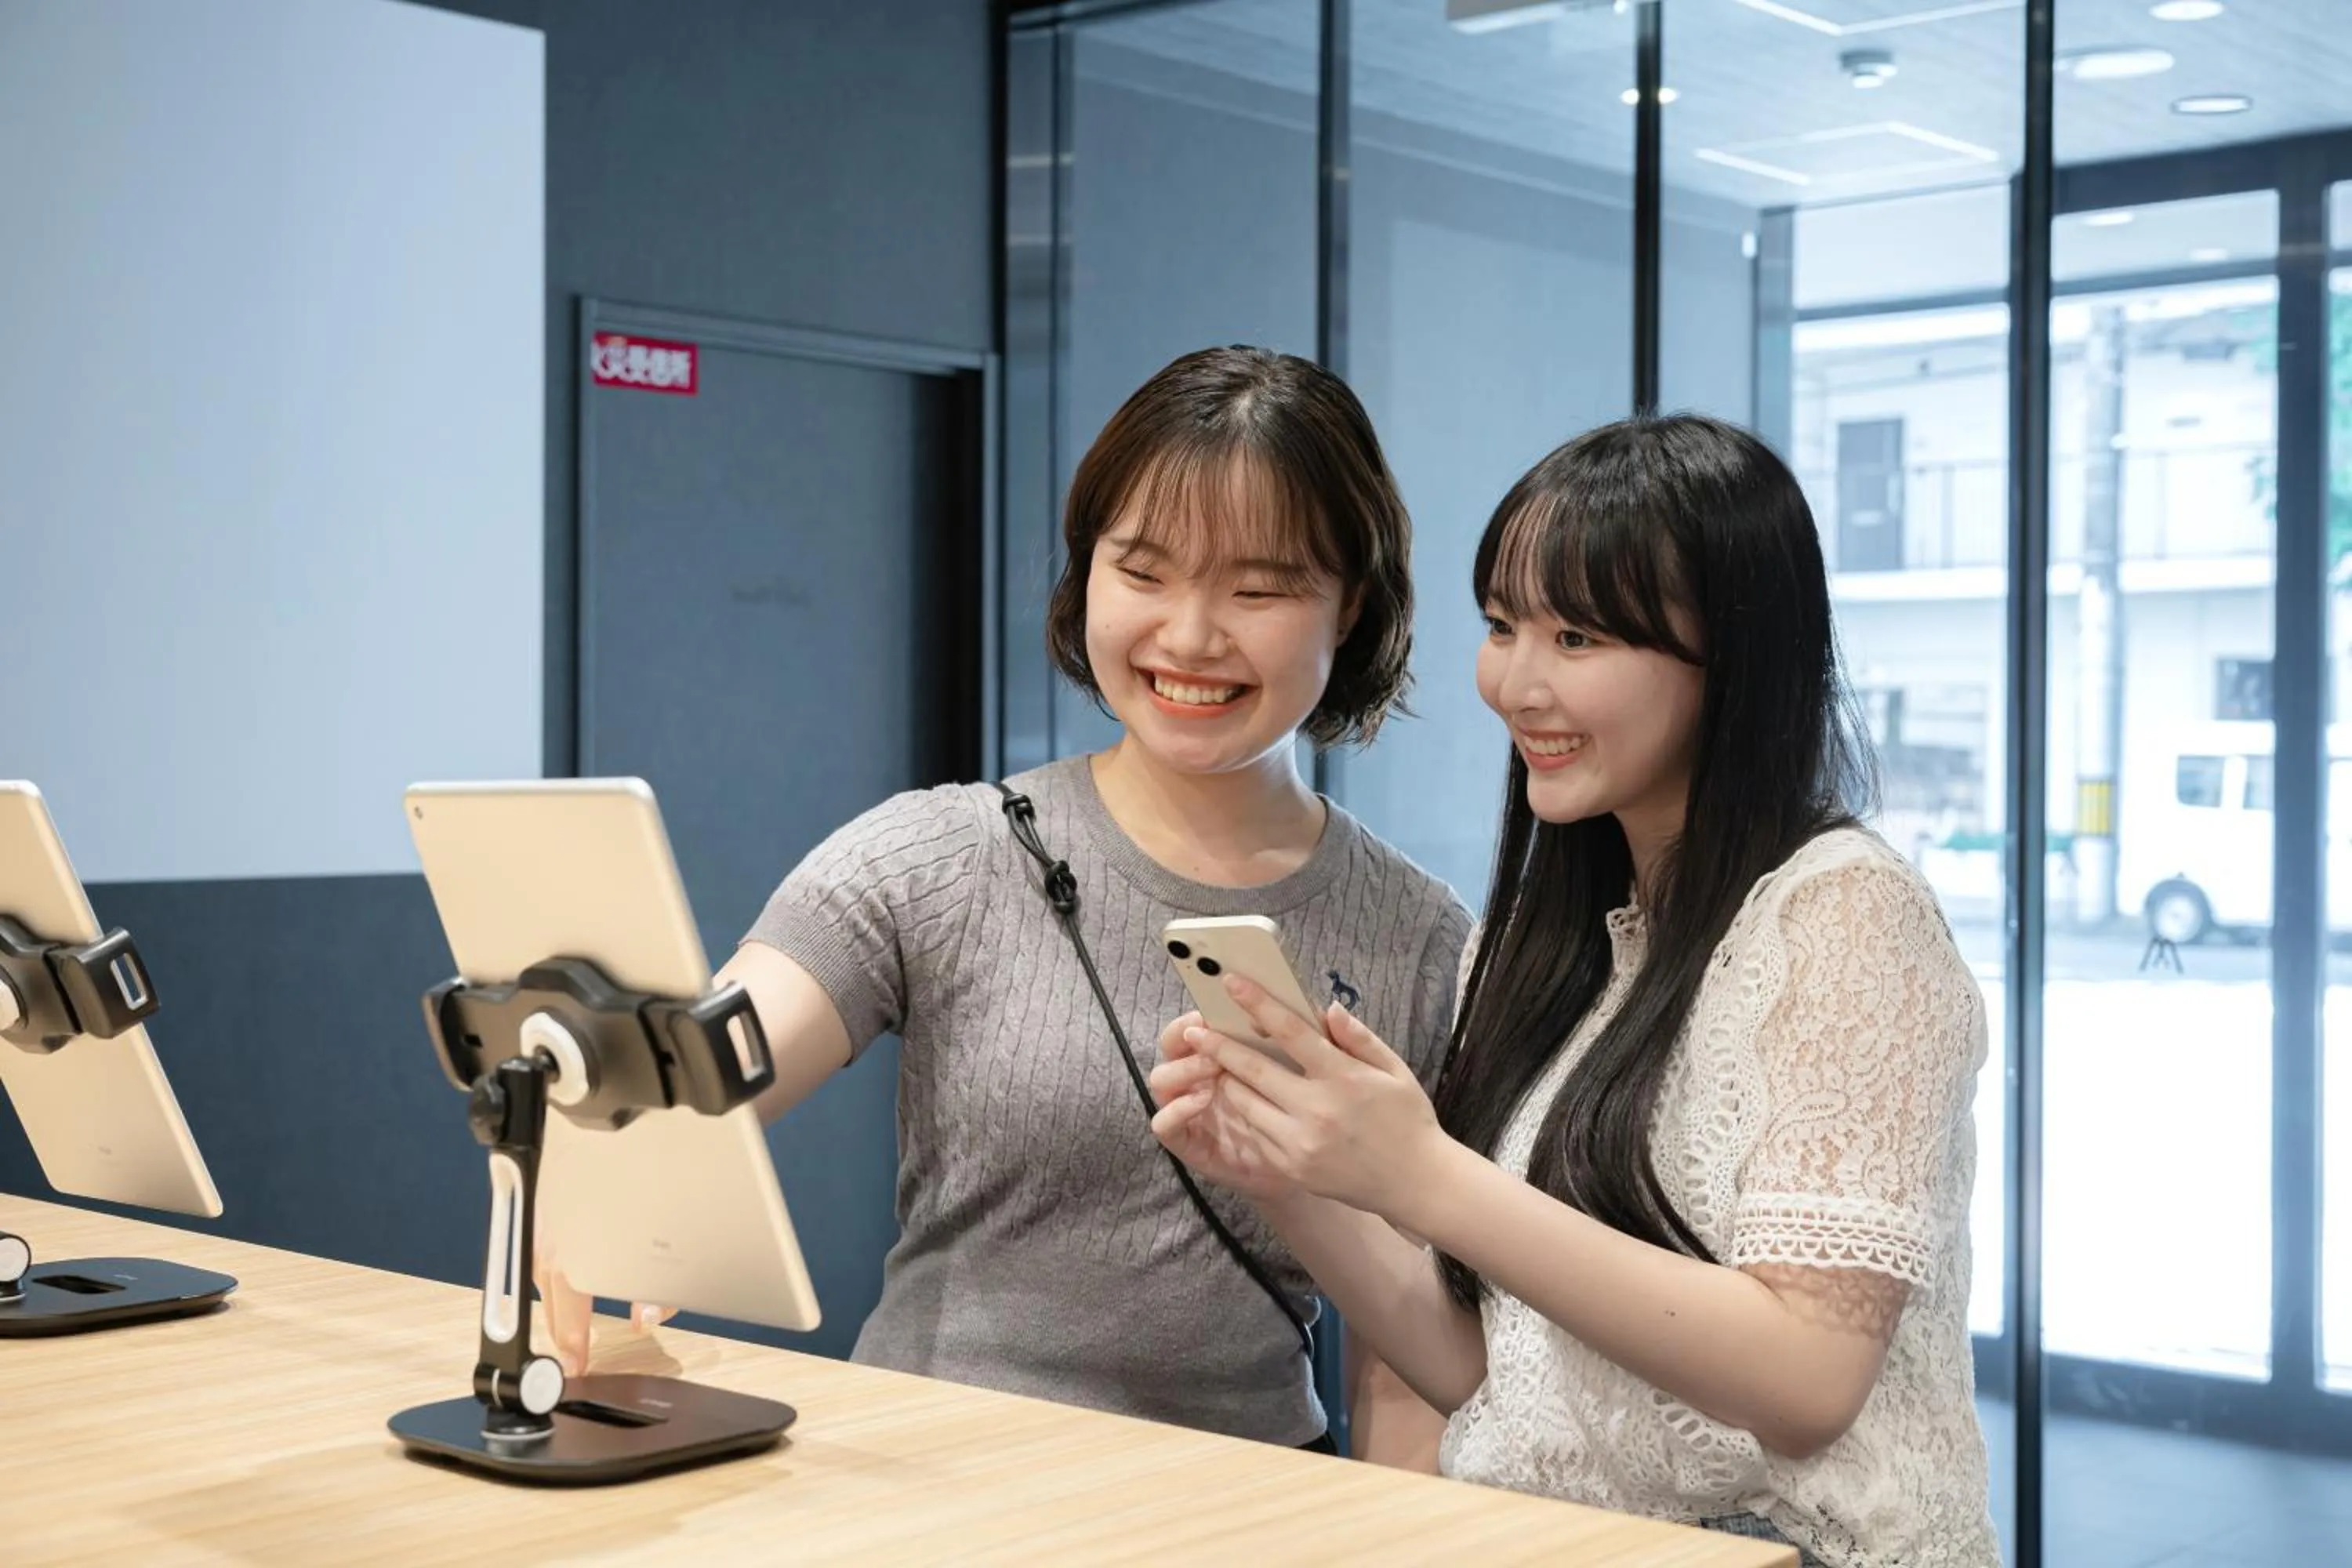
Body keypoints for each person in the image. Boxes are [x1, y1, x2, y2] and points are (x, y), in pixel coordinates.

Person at [545, 346, 1472, 1458]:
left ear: (1349, 607)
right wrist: (624, 1162)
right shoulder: (937, 855)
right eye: (1144, 572)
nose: (1188, 635)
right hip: (931, 1489)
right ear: (1087, 579)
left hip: (1238, 1512)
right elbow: (718, 1066)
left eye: (1258, 588)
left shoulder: (1420, 938)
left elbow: (1412, 1361)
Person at [1149, 413, 1998, 1562]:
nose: (1517, 683)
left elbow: (1808, 1378)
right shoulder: (1544, 941)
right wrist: (1299, 1178)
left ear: (1734, 659)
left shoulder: (1845, 916)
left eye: (1580, 637)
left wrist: (1423, 1173)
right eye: (1503, 627)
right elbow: (1495, 1380)